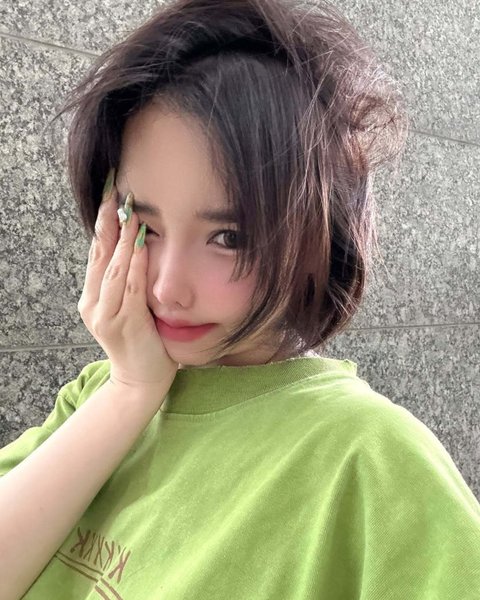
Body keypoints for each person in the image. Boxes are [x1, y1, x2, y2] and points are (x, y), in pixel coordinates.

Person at [0, 0, 479, 598]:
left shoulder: (371, 461)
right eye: (143, 226)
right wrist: (130, 392)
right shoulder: (97, 394)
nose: (167, 288)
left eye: (229, 237)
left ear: (319, 241)